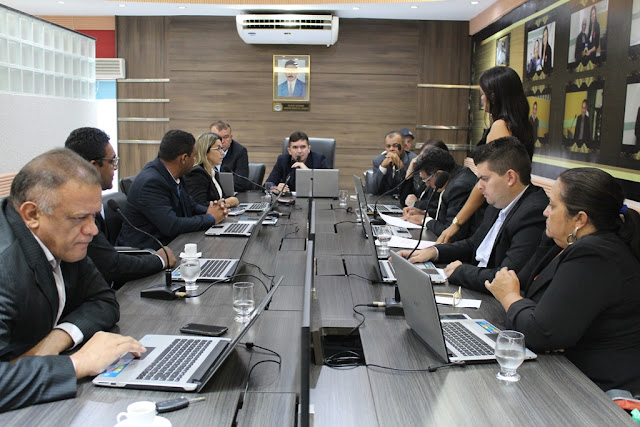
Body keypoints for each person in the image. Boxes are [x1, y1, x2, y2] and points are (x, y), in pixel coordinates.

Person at [0, 148, 145, 412]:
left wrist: (57, 339)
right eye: (79, 218)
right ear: (32, 215)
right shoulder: (4, 266)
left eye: (93, 216)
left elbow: (103, 300)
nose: (92, 230)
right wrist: (78, 363)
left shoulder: (59, 237)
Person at [485, 168, 640, 393]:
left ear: (580, 219)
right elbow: (538, 308)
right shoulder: (566, 243)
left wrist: (509, 296)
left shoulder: (595, 254)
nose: (545, 212)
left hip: (596, 391)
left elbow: (540, 333)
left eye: (553, 205)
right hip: (565, 372)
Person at [398, 137, 548, 292]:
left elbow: (507, 278)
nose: (479, 187)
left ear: (510, 178)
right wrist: (434, 252)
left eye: (484, 179)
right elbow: (474, 244)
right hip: (475, 281)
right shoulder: (499, 200)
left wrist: (460, 271)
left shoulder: (533, 213)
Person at [64, 127, 175, 289]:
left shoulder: (89, 202)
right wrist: (159, 260)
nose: (115, 168)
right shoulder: (76, 209)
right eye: (112, 161)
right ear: (92, 167)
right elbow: (111, 266)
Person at [437, 66, 535, 244]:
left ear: (494, 96)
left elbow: (486, 181)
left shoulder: (500, 126)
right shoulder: (522, 125)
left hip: (492, 207)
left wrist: (457, 222)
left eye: (483, 94)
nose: (481, 99)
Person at [117, 129, 228, 249]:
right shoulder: (151, 182)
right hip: (149, 251)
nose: (195, 161)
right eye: (194, 157)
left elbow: (191, 205)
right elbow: (172, 225)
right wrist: (210, 218)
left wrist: (212, 211)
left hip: (174, 243)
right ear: (184, 158)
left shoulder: (176, 175)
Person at [402, 147, 478, 241]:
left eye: (427, 180)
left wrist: (424, 220)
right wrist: (425, 213)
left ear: (439, 174)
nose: (427, 185)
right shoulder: (456, 174)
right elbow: (447, 214)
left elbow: (452, 233)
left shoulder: (459, 187)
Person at [183, 132, 239, 208]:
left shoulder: (213, 171)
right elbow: (200, 205)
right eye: (218, 149)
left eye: (222, 148)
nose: (222, 153)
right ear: (205, 151)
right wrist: (227, 202)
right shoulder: (197, 173)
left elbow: (220, 197)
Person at [401, 139, 448, 210]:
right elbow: (406, 201)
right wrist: (409, 173)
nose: (421, 161)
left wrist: (416, 204)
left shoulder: (441, 178)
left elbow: (438, 206)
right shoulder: (427, 176)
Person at [370, 130, 418, 195]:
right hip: (384, 199)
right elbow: (373, 190)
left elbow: (415, 190)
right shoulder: (378, 160)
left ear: (404, 146)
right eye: (388, 146)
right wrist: (382, 167)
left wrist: (401, 167)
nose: (391, 149)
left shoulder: (413, 160)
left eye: (395, 146)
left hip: (404, 199)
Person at [210, 120, 251, 192]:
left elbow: (240, 183)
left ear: (231, 138)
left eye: (226, 137)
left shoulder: (239, 151)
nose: (222, 141)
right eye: (218, 137)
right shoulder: (205, 150)